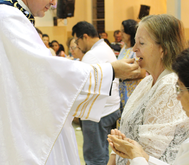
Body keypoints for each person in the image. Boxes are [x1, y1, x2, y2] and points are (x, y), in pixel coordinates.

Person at [0, 0, 140, 165]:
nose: (54, 4)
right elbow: (48, 75)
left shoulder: (1, 14)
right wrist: (111, 70)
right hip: (19, 133)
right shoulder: (6, 17)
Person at [107, 14, 189, 165]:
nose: (134, 49)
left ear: (163, 48)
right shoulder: (147, 81)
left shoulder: (170, 84)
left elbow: (148, 152)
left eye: (141, 43)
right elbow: (127, 128)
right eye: (135, 42)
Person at [72, 21, 121, 165]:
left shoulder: (92, 55)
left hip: (98, 113)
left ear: (85, 37)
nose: (77, 45)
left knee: (95, 157)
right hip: (110, 108)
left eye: (77, 40)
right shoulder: (105, 47)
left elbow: (82, 86)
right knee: (103, 153)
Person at [118, 19, 146, 113]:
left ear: (130, 33)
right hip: (122, 88)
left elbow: (142, 73)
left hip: (133, 89)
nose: (121, 34)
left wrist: (124, 75)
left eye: (123, 31)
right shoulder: (124, 48)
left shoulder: (137, 50)